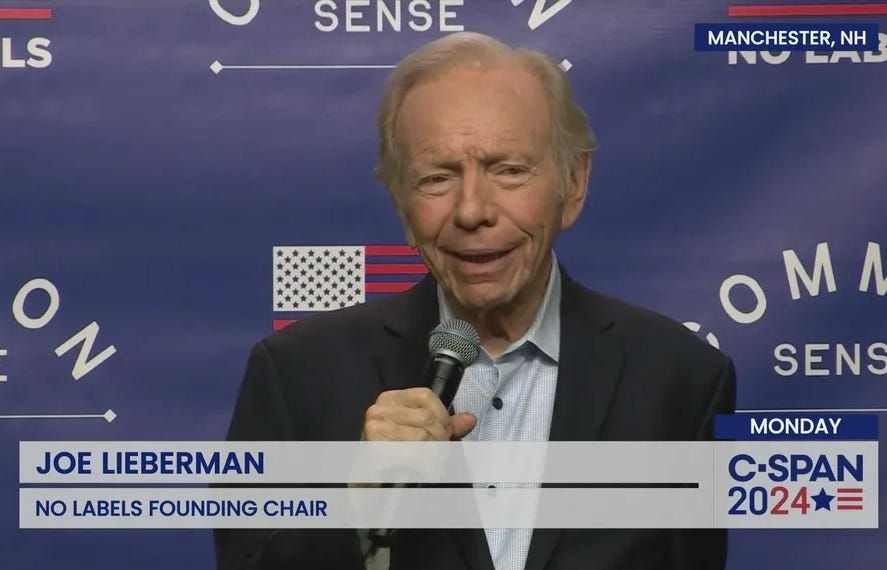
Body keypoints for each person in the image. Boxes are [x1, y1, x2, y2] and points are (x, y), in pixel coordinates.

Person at [215, 31, 736, 570]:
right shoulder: (297, 375)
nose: (471, 211)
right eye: (437, 178)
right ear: (401, 205)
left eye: (508, 170)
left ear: (573, 184)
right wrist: (353, 507)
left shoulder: (684, 381)